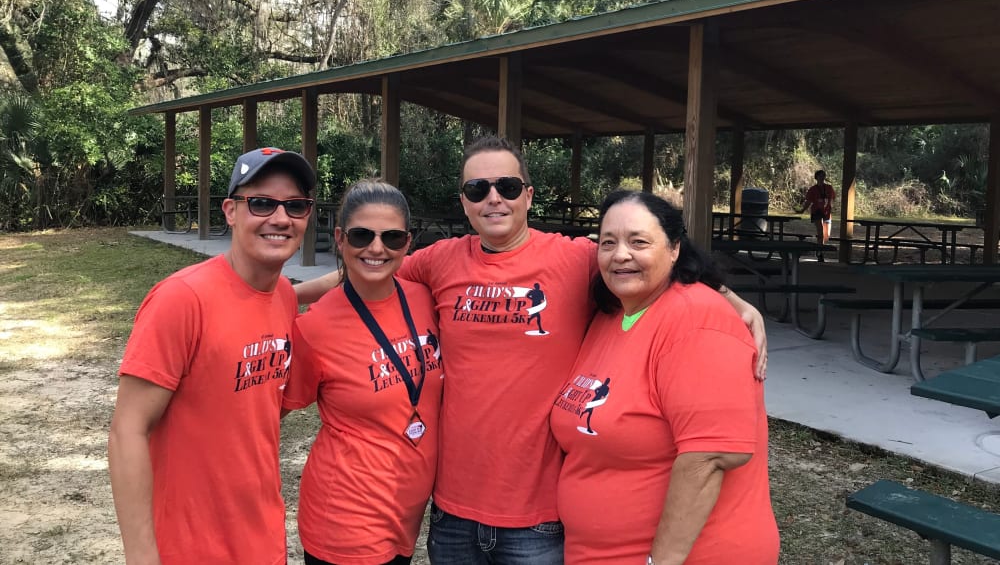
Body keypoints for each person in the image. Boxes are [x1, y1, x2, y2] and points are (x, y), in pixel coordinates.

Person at [294, 136, 767, 565]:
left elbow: (650, 261)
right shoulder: (440, 261)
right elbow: (371, 266)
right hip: (452, 512)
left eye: (506, 185)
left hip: (538, 520)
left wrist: (733, 299)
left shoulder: (578, 257)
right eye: (478, 189)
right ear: (464, 201)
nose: (493, 197)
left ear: (528, 195)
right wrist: (288, 294)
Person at [108, 147, 317, 564]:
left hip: (262, 538)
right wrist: (142, 555)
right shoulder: (181, 300)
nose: (280, 218)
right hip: (188, 546)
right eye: (260, 203)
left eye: (295, 206)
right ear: (230, 211)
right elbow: (126, 431)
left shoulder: (282, 298)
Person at [550, 190, 779, 565]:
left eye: (639, 241)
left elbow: (711, 456)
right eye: (608, 243)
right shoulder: (613, 314)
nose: (621, 254)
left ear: (674, 249)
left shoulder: (699, 322)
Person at [282, 180, 443, 565]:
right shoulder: (315, 327)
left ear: (408, 242)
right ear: (340, 238)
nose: (376, 248)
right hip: (344, 521)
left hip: (406, 516)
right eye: (361, 235)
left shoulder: (424, 298)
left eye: (391, 237)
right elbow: (265, 416)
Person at [798, 169, 836, 261]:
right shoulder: (813, 189)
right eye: (820, 176)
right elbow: (808, 201)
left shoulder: (829, 188)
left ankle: (819, 248)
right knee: (820, 232)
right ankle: (820, 253)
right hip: (817, 212)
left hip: (826, 212)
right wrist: (802, 210)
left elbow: (832, 199)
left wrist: (830, 207)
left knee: (826, 234)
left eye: (823, 175)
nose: (822, 177)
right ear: (816, 177)